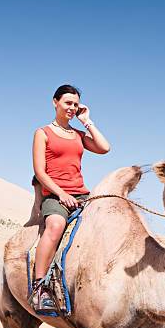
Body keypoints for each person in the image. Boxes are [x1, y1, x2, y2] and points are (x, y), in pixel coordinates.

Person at [29, 84, 111, 312]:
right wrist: (61, 193)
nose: (72, 108)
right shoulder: (42, 133)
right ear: (55, 102)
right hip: (55, 194)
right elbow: (40, 172)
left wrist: (87, 121)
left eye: (76, 104)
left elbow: (105, 148)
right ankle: (39, 287)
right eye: (68, 103)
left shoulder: (78, 134)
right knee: (55, 226)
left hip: (81, 193)